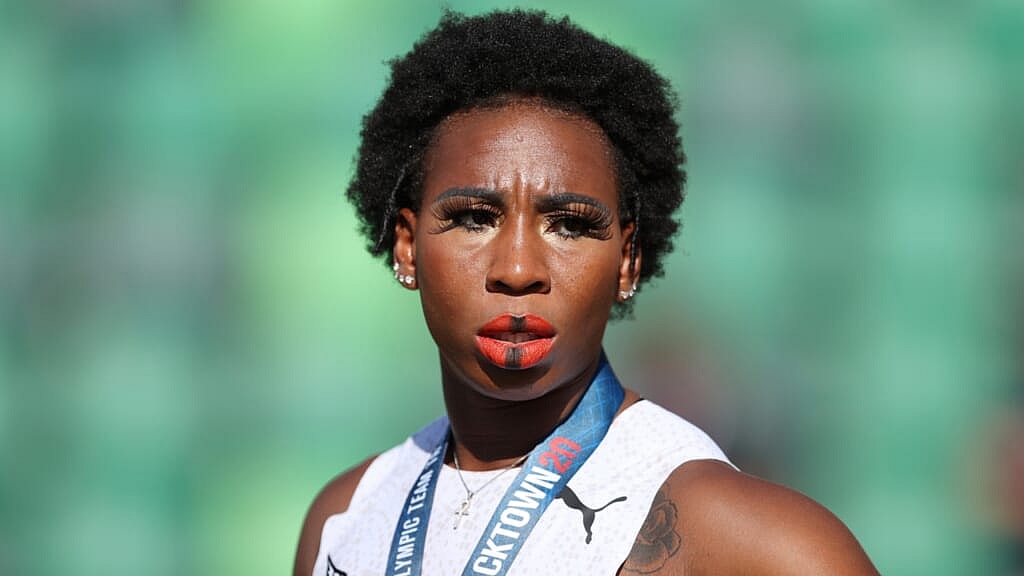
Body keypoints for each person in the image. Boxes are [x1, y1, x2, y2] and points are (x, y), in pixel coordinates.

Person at [294, 9, 879, 576]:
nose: (519, 269)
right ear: (406, 246)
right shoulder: (344, 521)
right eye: (474, 217)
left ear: (627, 260)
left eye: (570, 224)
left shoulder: (754, 545)